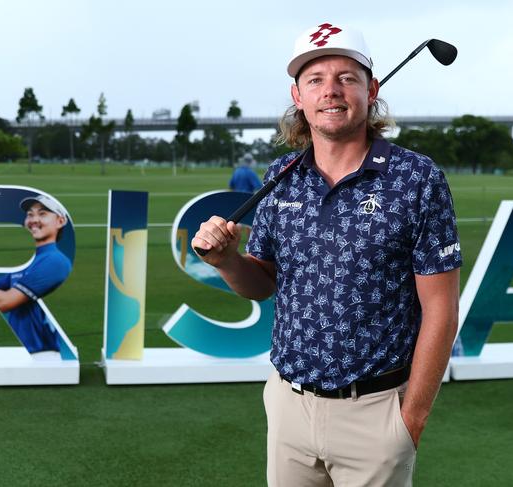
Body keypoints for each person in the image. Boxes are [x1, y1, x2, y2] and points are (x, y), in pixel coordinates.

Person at [192, 22, 461, 486]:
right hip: (288, 405)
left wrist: (410, 419)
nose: (331, 91)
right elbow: (263, 284)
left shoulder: (416, 178)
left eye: (346, 78)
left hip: (377, 413)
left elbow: (441, 308)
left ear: (371, 90)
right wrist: (228, 262)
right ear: (298, 97)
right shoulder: (281, 176)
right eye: (315, 80)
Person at [0, 195, 72, 355]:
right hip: (26, 354)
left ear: (60, 221)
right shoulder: (26, 263)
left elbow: (5, 302)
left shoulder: (54, 261)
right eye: (30, 214)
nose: (34, 219)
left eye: (42, 214)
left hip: (44, 356)